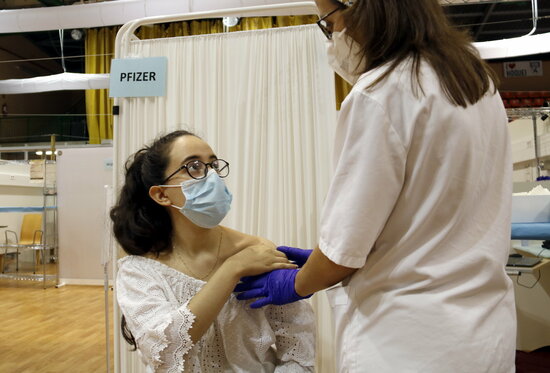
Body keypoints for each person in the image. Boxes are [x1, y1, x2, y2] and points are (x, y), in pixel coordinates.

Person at [235, 0, 516, 372]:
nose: (333, 37)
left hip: (407, 340)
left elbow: (343, 251)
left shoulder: (380, 92)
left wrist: (300, 281)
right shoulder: (474, 82)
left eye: (330, 22)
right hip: (483, 331)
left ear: (362, 11)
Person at [111, 130, 315, 372]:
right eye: (194, 166)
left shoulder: (258, 250)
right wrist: (232, 269)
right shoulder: (140, 268)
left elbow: (297, 347)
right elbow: (165, 351)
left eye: (214, 165)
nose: (212, 176)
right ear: (162, 194)